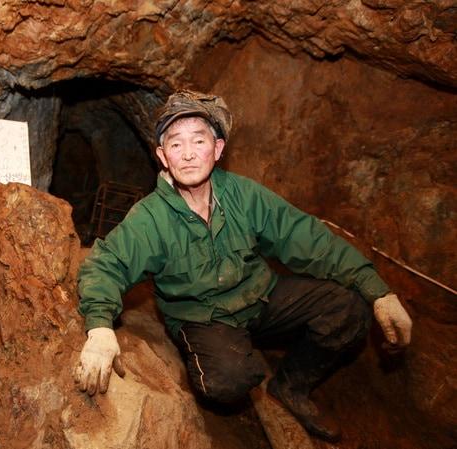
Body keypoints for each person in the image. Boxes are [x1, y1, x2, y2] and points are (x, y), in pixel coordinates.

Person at [73, 90, 412, 442]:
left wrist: (378, 290)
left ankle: (291, 386)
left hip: (260, 298)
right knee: (227, 380)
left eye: (199, 140)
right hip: (204, 317)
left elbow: (307, 237)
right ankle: (239, 361)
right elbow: (105, 266)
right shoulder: (150, 218)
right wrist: (99, 328)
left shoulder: (244, 195)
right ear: (162, 156)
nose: (188, 154)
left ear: (218, 149)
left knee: (348, 306)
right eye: (175, 144)